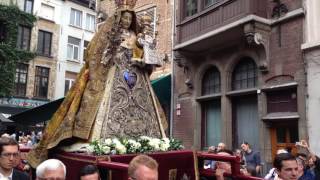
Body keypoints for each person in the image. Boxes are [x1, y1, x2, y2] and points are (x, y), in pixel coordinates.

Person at [27, 0, 168, 168]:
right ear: (118, 18)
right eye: (124, 18)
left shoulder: (136, 37)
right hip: (113, 75)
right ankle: (96, 136)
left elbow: (145, 57)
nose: (127, 22)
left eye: (130, 19)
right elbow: (95, 53)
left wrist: (143, 60)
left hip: (135, 79)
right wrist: (111, 53)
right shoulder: (109, 34)